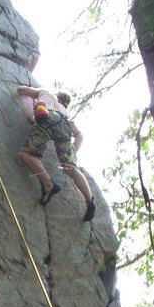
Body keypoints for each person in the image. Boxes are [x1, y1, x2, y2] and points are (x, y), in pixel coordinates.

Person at [17, 85, 96, 221]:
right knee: (71, 168)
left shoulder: (47, 93)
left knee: (26, 154)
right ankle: (90, 202)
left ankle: (48, 184)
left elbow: (21, 90)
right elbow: (79, 137)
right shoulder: (66, 113)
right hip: (64, 127)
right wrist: (70, 155)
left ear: (57, 96)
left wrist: (29, 89)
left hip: (46, 116)